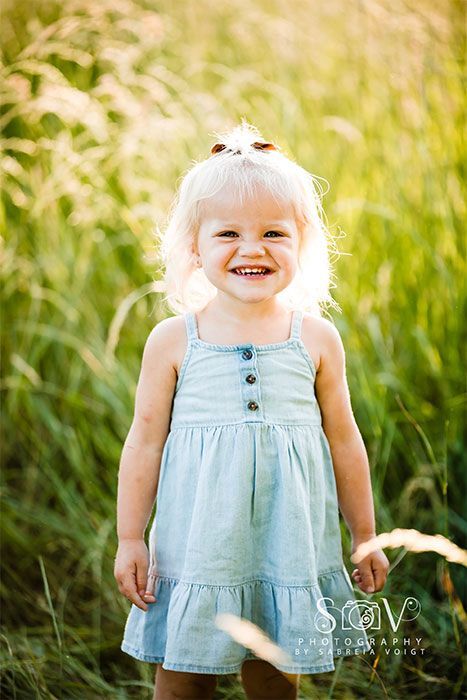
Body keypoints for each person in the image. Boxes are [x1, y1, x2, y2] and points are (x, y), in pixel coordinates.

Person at [114, 120, 390, 700]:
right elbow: (143, 442)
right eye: (228, 234)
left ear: (301, 242)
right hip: (197, 547)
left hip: (283, 545)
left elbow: (344, 439)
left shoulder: (314, 339)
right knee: (183, 675)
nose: (252, 248)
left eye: (273, 232)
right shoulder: (173, 340)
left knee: (271, 670)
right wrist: (130, 539)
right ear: (195, 247)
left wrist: (364, 533)